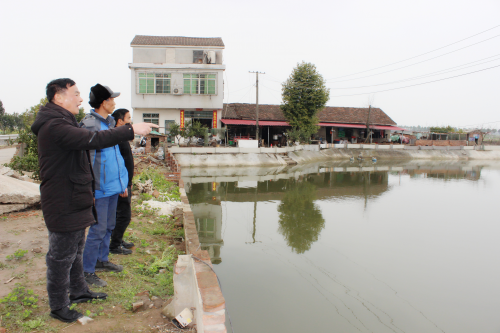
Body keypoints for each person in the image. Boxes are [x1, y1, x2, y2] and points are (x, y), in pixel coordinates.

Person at [31, 78, 157, 323]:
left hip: (76, 195)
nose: (80, 98)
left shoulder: (63, 120)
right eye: (75, 93)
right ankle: (59, 306)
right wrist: (131, 129)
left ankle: (78, 290)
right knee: (61, 256)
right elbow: (92, 141)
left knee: (76, 249)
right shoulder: (54, 125)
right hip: (62, 199)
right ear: (58, 97)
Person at [80, 84, 127, 287]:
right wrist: (89, 189)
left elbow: (116, 158)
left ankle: (102, 260)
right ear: (104, 102)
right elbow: (86, 160)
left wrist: (122, 183)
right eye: (112, 100)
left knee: (109, 226)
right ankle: (87, 270)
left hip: (112, 187)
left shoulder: (108, 124)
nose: (114, 103)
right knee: (97, 229)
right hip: (99, 189)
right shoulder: (91, 125)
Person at [109, 108, 134, 255]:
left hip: (125, 182)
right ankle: (114, 245)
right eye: (128, 118)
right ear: (120, 121)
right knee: (124, 216)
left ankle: (118, 239)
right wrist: (122, 185)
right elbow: (116, 163)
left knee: (119, 214)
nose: (130, 121)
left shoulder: (120, 136)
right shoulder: (116, 138)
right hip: (121, 185)